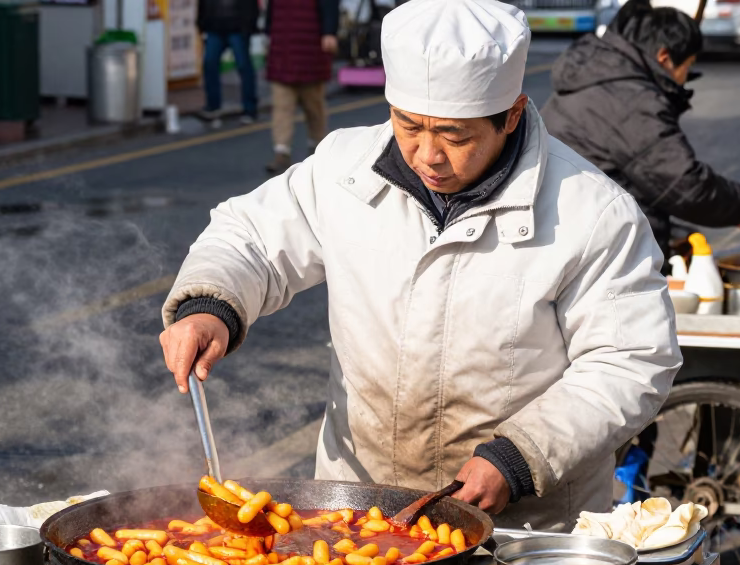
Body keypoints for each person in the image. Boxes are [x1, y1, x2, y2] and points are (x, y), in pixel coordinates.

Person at [158, 0, 681, 530]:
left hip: (523, 532)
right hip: (357, 515)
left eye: (455, 136)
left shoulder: (592, 211)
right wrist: (210, 305)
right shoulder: (343, 169)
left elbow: (629, 359)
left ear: (512, 115)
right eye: (408, 125)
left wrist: (519, 457)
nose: (426, 154)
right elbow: (251, 237)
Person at [541, 0, 740, 264]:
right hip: (602, 253)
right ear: (664, 57)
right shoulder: (629, 98)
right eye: (687, 66)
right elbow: (685, 185)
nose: (685, 77)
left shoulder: (600, 76)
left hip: (576, 231)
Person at [263, 0, 340, 174]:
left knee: (313, 107)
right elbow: (271, 14)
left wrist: (329, 32)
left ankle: (317, 147)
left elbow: (330, 7)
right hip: (283, 51)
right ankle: (281, 151)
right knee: (282, 107)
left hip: (309, 51)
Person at [197, 0, 260, 124]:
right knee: (209, 63)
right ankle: (213, 106)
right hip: (215, 27)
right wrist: (201, 23)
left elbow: (252, 5)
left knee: (243, 66)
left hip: (238, 27)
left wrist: (249, 25)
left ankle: (250, 108)